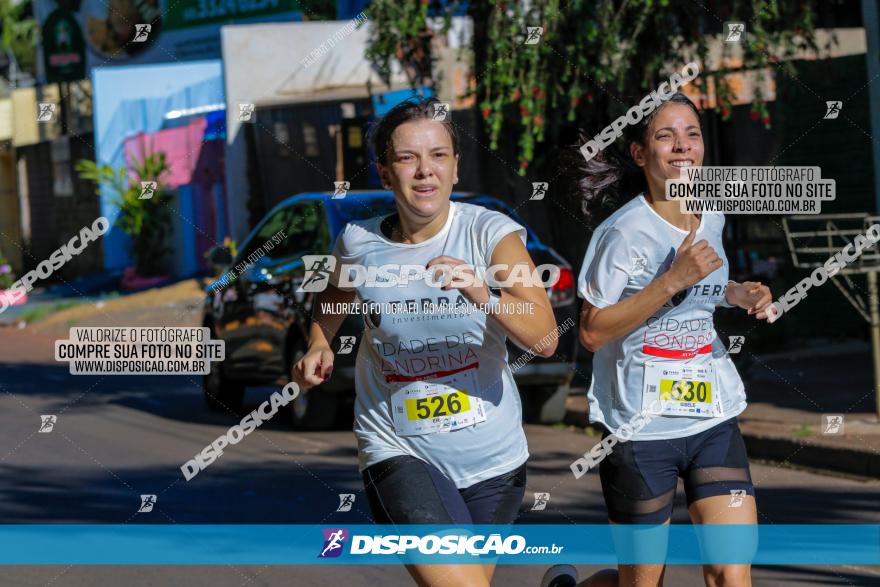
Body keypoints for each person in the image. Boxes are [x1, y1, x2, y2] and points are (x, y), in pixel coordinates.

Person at [293, 97, 559, 587]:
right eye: (407, 158)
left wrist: (480, 289)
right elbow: (332, 299)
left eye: (438, 155)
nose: (424, 171)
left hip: (494, 461)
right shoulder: (357, 242)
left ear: (456, 167)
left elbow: (544, 336)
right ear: (385, 171)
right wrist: (318, 342)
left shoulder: (489, 234)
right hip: (397, 448)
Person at [543, 92, 772, 587]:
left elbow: (706, 286)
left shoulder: (711, 213)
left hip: (711, 415)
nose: (683, 147)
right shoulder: (621, 234)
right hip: (639, 430)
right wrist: (670, 280)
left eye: (692, 134)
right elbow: (590, 330)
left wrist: (739, 293)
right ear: (641, 155)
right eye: (665, 136)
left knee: (732, 574)